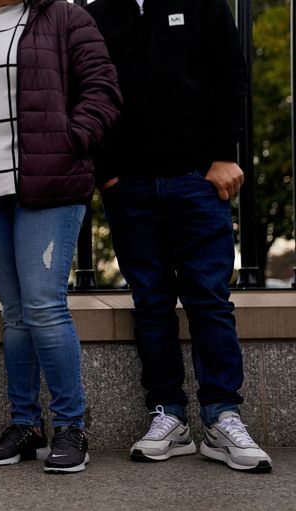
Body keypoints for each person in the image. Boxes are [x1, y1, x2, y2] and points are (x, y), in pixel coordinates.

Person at [0, 0, 121, 473]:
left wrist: (69, 143)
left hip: (48, 184)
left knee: (43, 307)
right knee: (15, 314)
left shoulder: (64, 17)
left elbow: (102, 90)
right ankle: (26, 426)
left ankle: (71, 427)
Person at [86, 0, 272, 472]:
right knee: (151, 303)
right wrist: (107, 173)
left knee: (209, 299)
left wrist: (224, 155)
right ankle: (169, 416)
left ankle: (222, 418)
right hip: (129, 187)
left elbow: (231, 76)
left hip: (198, 177)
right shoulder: (98, 14)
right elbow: (88, 91)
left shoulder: (202, 3)